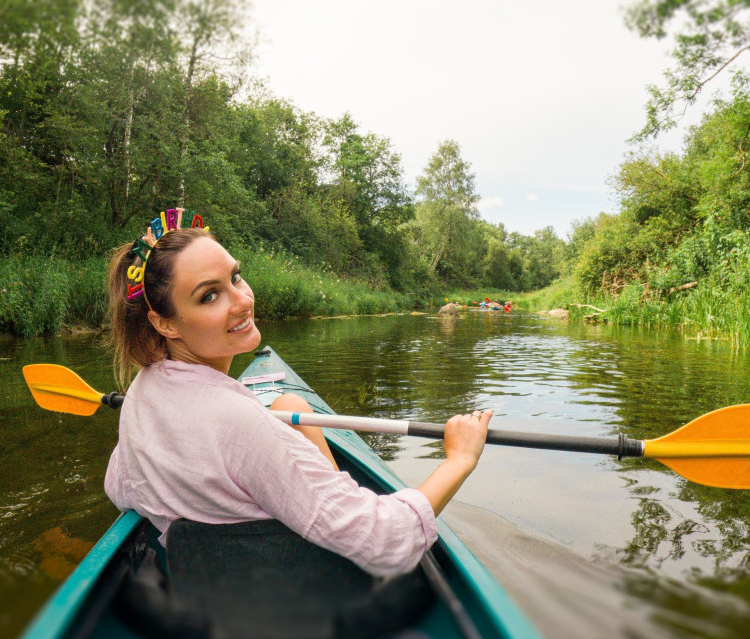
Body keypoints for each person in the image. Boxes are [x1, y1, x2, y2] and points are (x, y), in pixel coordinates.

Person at [103, 208, 491, 577]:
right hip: (306, 598)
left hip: (206, 596)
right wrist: (460, 458)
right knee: (294, 414)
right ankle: (345, 496)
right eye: (209, 295)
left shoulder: (140, 392)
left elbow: (119, 486)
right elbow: (384, 539)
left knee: (290, 404)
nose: (243, 300)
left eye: (235, 278)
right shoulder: (238, 424)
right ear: (164, 323)